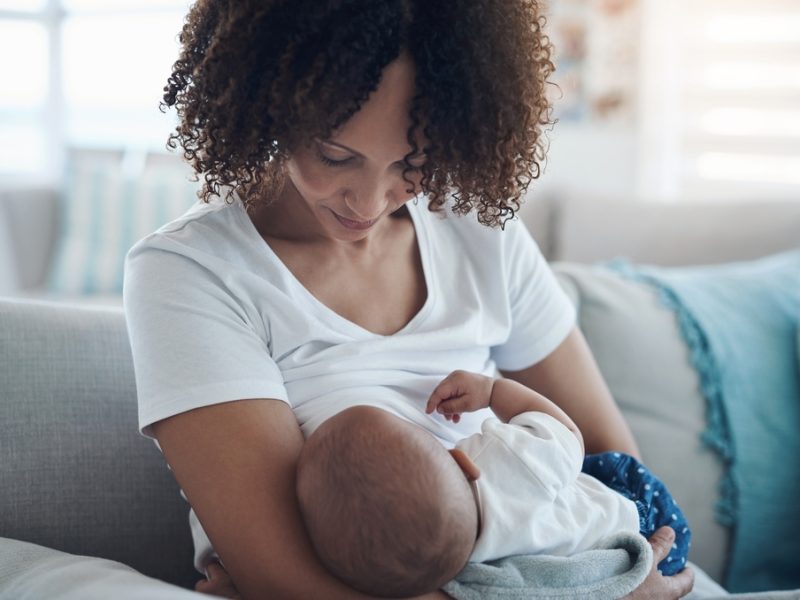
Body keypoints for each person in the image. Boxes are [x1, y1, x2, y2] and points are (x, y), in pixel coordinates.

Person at [123, 1, 696, 598]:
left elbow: (618, 472)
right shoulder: (191, 272)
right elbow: (286, 579)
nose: (368, 203)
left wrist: (609, 578)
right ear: (266, 99)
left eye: (412, 163)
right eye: (336, 155)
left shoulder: (479, 231)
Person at [295, 370, 691, 598]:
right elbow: (567, 434)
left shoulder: (456, 574)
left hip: (611, 567)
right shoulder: (503, 459)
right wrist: (494, 391)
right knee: (594, 467)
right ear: (462, 461)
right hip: (639, 515)